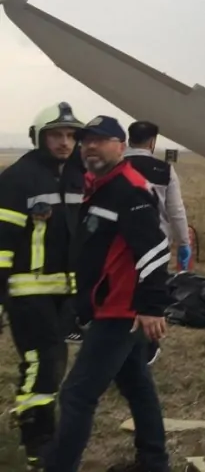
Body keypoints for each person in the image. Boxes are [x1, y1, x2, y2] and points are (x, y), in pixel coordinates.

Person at [40, 115, 173, 472]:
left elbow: (155, 247)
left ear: (120, 145)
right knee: (137, 386)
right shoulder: (99, 184)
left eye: (99, 140)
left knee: (77, 394)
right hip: (109, 306)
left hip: (121, 310)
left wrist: (151, 306)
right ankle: (154, 462)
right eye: (86, 141)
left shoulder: (129, 188)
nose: (90, 147)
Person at [0, 102, 86, 470]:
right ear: (38, 138)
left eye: (71, 136)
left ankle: (41, 437)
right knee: (42, 363)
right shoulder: (18, 178)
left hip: (64, 292)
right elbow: (2, 242)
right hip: (27, 290)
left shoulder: (76, 177)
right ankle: (36, 445)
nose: (65, 143)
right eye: (56, 135)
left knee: (54, 362)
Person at [124, 120, 191, 271]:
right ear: (152, 142)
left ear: (129, 140)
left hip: (120, 242)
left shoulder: (115, 167)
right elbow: (176, 211)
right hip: (157, 244)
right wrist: (184, 242)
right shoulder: (165, 170)